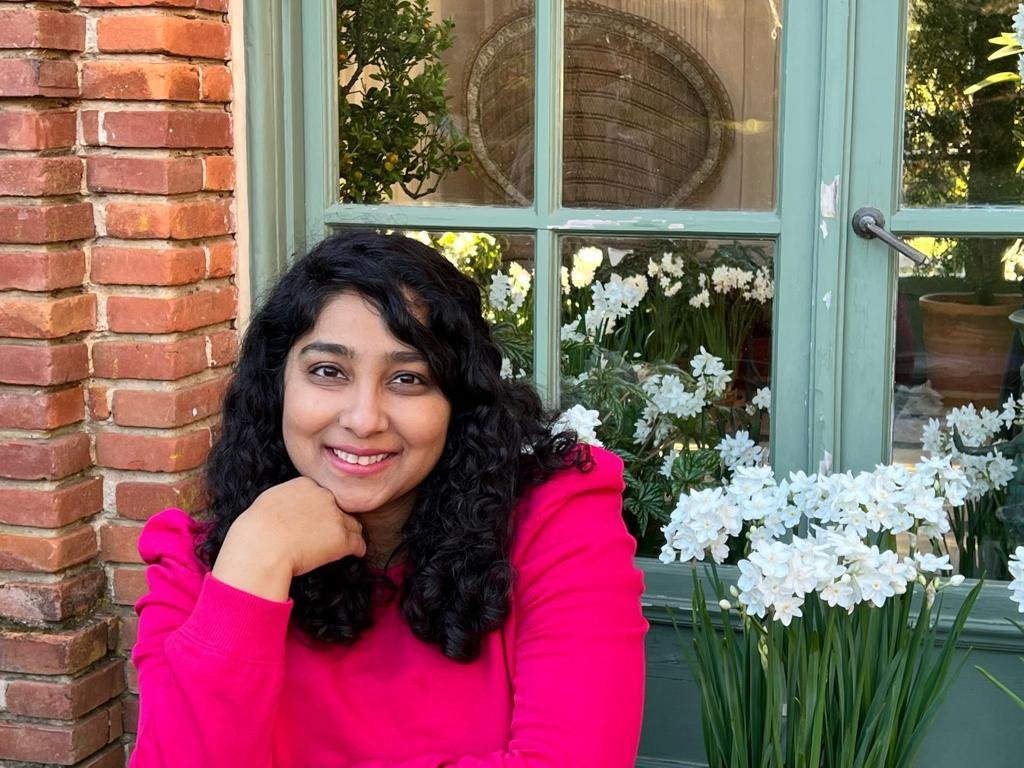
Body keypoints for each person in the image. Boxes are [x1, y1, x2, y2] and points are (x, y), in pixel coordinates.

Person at [129, 231, 648, 767]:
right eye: (328, 371)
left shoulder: (555, 523)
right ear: (277, 386)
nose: (363, 419)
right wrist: (257, 560)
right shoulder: (203, 566)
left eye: (407, 378)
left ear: (457, 401)